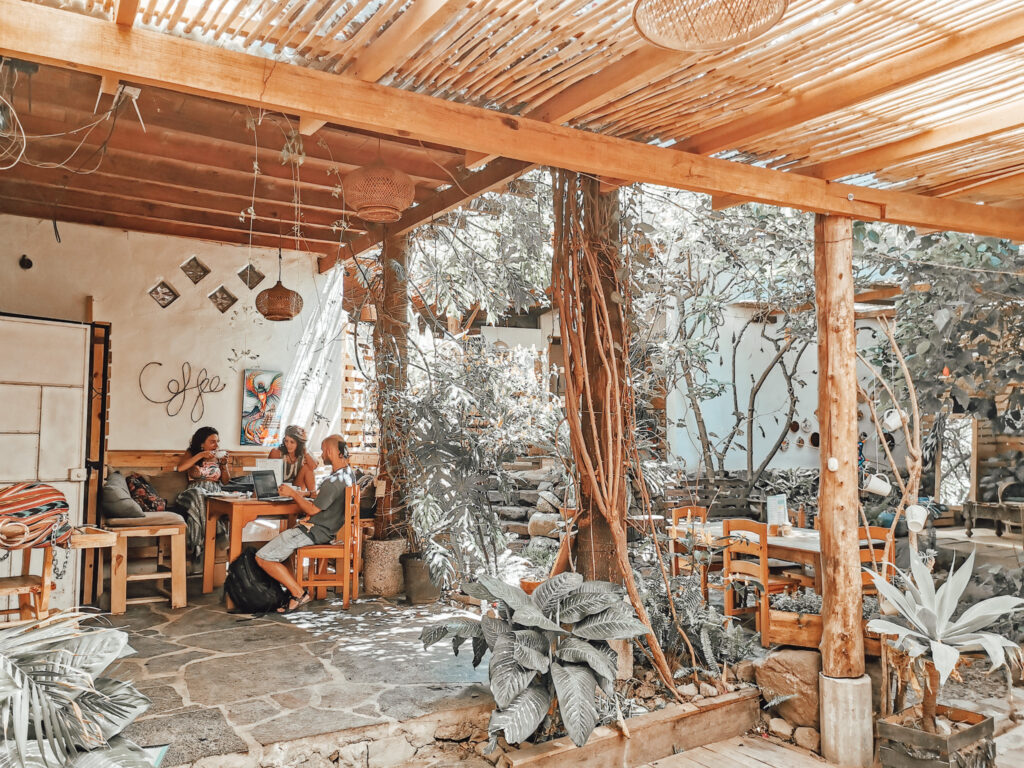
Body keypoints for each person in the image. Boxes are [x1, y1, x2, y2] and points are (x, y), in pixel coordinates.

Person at [255, 435, 355, 613]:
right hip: (324, 530)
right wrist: (306, 494)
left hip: (314, 532)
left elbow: (312, 511)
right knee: (282, 553)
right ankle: (291, 589)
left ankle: (299, 593)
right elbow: (321, 501)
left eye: (323, 450)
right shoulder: (348, 474)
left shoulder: (333, 481)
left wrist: (293, 494)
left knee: (262, 557)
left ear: (330, 451)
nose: (322, 454)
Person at [174, 426, 231, 563]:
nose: (216, 445)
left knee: (211, 498)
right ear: (201, 444)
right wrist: (201, 455)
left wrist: (224, 465)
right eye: (212, 442)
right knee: (201, 494)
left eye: (217, 441)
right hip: (193, 492)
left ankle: (198, 548)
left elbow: (225, 481)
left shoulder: (218, 457)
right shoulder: (191, 453)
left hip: (214, 492)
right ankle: (219, 532)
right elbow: (181, 468)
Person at [268, 425, 317, 493]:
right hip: (280, 489)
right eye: (286, 441)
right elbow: (269, 477)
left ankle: (313, 497)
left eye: (292, 442)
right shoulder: (276, 453)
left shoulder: (303, 453)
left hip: (297, 490)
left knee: (307, 468)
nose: (288, 445)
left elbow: (313, 466)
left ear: (299, 443)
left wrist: (304, 449)